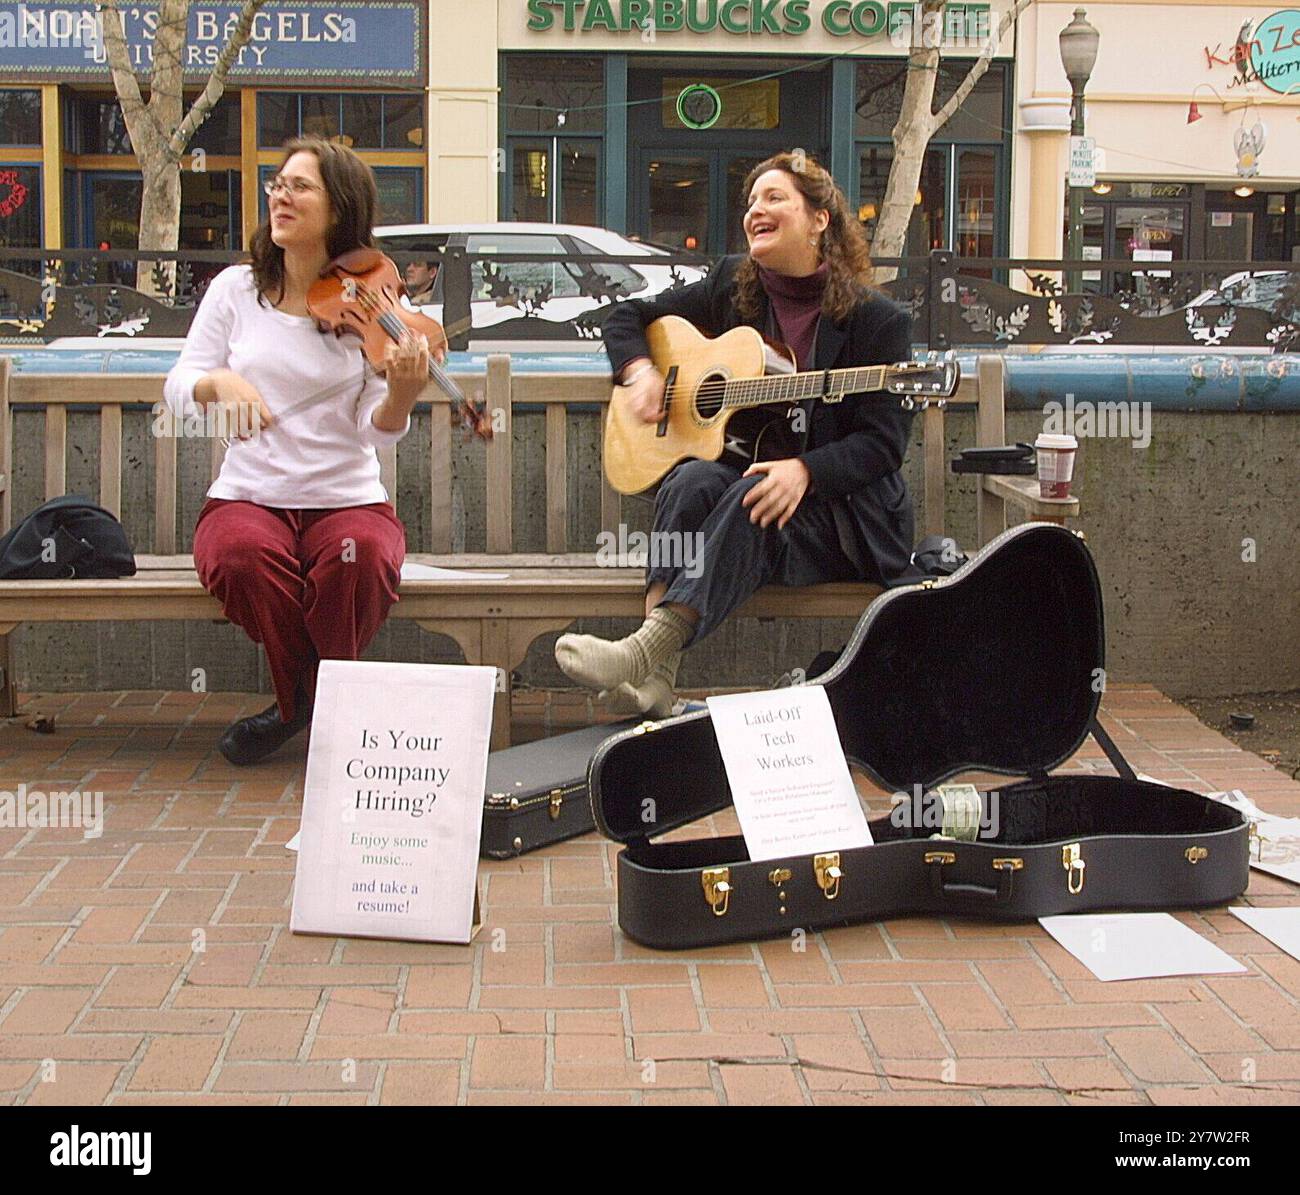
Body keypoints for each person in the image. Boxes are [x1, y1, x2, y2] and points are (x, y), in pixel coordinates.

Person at [555, 151, 915, 717]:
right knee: (690, 482)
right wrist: (641, 372)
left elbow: (883, 444)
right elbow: (625, 317)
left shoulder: (877, 321)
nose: (755, 210)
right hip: (746, 501)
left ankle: (639, 654)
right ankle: (658, 680)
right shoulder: (731, 285)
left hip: (840, 521)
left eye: (774, 198)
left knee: (751, 491)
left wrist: (806, 471)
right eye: (751, 202)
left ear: (819, 220)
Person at [163, 137, 433, 765]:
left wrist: (403, 393)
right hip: (250, 496)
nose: (281, 196)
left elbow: (375, 429)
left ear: (339, 208)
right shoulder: (236, 290)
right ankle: (321, 707)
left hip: (347, 499)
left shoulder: (376, 301)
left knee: (361, 558)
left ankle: (293, 710)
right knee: (240, 557)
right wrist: (217, 382)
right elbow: (179, 384)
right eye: (278, 184)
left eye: (300, 186)